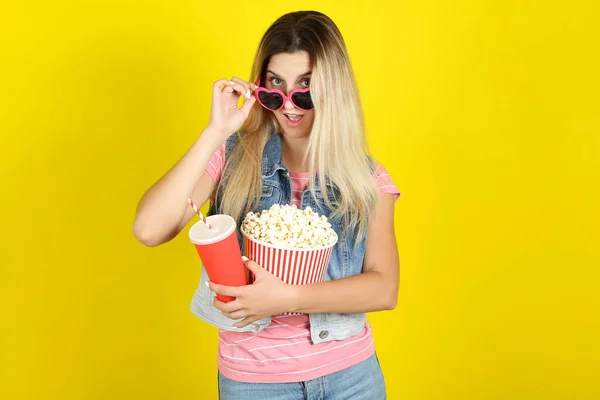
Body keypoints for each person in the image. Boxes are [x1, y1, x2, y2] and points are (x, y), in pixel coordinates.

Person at [133, 10, 400, 400]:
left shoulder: (365, 178)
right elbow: (149, 229)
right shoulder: (232, 158)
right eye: (276, 86)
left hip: (351, 378)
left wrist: (288, 298)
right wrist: (215, 132)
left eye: (306, 87)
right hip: (254, 384)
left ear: (333, 88)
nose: (289, 105)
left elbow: (384, 288)